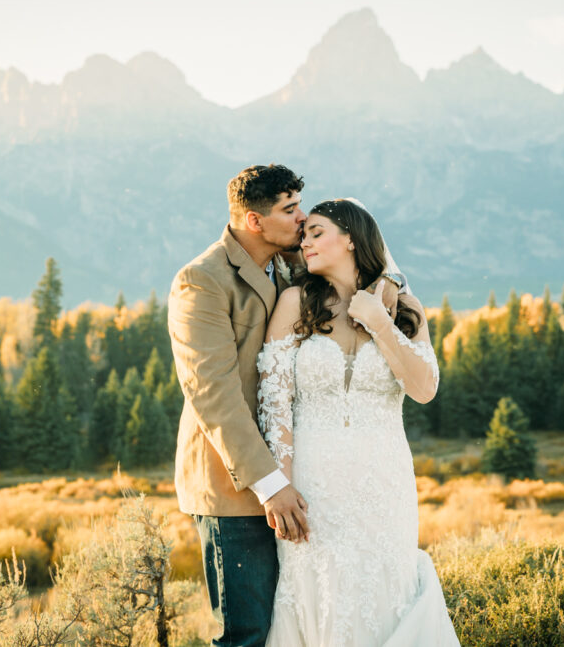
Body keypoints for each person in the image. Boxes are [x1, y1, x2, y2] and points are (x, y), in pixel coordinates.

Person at [168, 166, 398, 646]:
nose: (302, 218)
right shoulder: (202, 281)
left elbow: (364, 255)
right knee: (248, 634)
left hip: (300, 480)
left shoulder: (292, 259)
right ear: (255, 221)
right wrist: (271, 486)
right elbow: (213, 395)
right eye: (289, 209)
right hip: (235, 485)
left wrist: (392, 280)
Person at [257, 199, 459, 646]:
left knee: (384, 589)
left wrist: (380, 324)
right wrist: (281, 484)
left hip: (383, 482)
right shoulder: (295, 302)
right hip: (313, 483)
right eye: (303, 234)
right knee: (319, 593)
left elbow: (424, 389)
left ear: (350, 238)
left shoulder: (405, 307)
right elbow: (274, 402)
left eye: (316, 232)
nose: (304, 242)